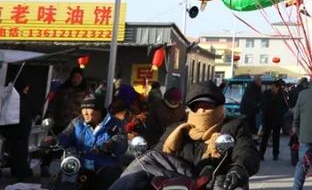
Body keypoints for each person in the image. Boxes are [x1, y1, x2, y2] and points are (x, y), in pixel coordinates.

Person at [110, 81, 259, 190]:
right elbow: (159, 154)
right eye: (197, 106)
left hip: (216, 182)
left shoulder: (234, 127)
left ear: (218, 106)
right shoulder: (178, 129)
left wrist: (238, 170)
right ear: (190, 109)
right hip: (180, 183)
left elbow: (246, 151)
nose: (202, 111)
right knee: (145, 162)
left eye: (207, 106)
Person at [53, 93, 127, 190]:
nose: (85, 112)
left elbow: (121, 143)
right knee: (64, 181)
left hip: (104, 167)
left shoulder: (115, 124)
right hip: (80, 166)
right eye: (83, 109)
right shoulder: (77, 122)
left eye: (89, 109)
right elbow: (66, 135)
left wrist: (109, 145)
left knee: (108, 178)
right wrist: (54, 140)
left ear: (99, 110)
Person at [2, 82, 38, 182]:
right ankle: (22, 174)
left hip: (12, 132)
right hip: (21, 132)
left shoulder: (11, 98)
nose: (27, 90)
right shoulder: (26, 99)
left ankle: (18, 172)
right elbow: (34, 112)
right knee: (21, 154)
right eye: (26, 87)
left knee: (15, 154)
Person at [258, 79, 288, 161]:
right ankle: (261, 154)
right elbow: (262, 104)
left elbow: (285, 106)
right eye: (272, 86)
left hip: (277, 119)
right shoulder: (266, 93)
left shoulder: (282, 95)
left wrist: (281, 114)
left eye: (274, 87)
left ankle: (275, 154)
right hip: (267, 118)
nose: (272, 88)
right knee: (265, 137)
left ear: (278, 88)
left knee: (276, 137)